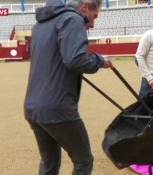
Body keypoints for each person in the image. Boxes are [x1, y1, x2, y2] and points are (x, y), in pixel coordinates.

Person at [24, 0, 113, 174]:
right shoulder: (72, 19)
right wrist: (100, 60)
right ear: (85, 6)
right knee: (84, 161)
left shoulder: (39, 25)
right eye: (94, 17)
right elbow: (76, 60)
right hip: (58, 108)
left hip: (33, 107)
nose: (93, 24)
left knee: (49, 163)